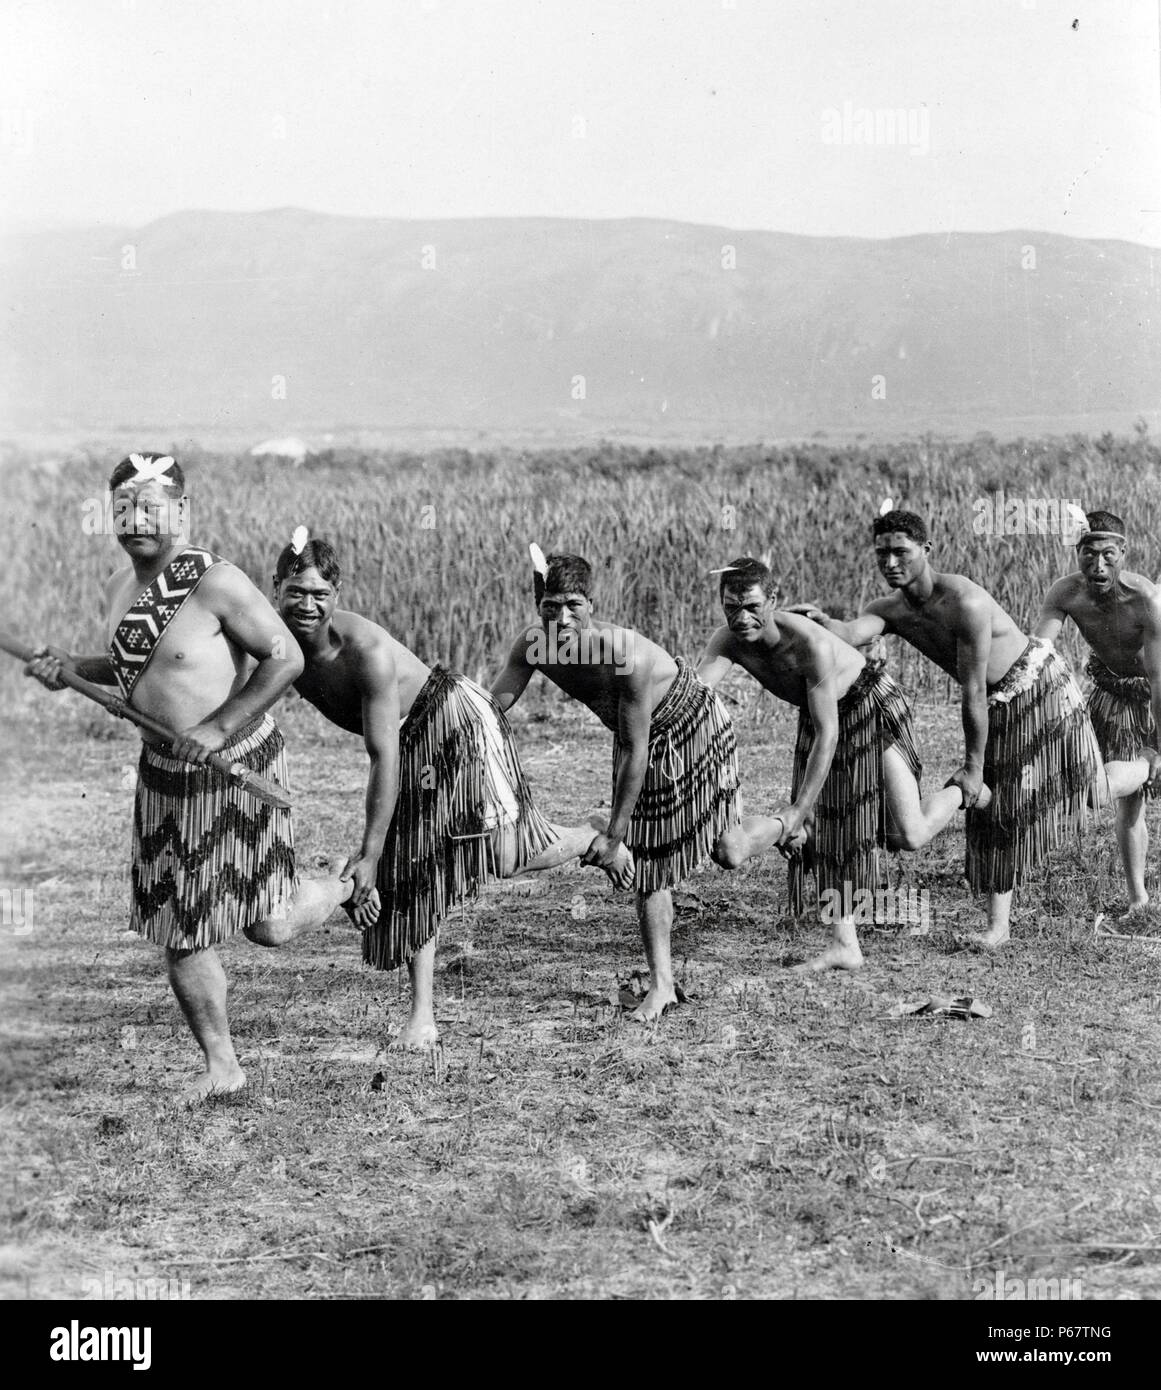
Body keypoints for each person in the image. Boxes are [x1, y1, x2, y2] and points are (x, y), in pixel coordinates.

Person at [25, 454, 351, 1100]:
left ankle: (341, 887)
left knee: (271, 925)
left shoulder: (215, 582)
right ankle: (224, 1067)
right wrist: (69, 667)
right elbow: (135, 673)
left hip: (233, 766)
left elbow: (282, 658)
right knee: (182, 933)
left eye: (152, 506)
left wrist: (217, 727)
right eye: (126, 507)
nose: (137, 519)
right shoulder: (120, 589)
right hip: (165, 777)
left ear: (181, 511)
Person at [273, 531, 620, 1051]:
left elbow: (382, 755)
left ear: (337, 595)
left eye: (319, 594)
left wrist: (369, 854)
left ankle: (589, 832)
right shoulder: (271, 640)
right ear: (274, 588)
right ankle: (422, 1018)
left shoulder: (363, 649)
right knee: (419, 862)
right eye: (295, 592)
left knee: (506, 854)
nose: (306, 604)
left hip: (453, 717)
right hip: (408, 738)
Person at [791, 510, 1151, 949]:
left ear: (926, 551)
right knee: (995, 808)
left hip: (1038, 688)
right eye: (881, 554)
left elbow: (973, 693)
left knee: (1087, 791)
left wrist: (972, 765)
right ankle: (998, 928)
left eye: (900, 553)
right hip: (996, 703)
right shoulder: (888, 609)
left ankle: (1146, 767)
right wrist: (820, 623)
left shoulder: (966, 601)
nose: (890, 564)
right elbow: (852, 631)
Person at [490, 549, 784, 1020]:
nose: (562, 619)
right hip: (641, 738)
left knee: (715, 852)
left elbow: (633, 748)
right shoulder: (533, 646)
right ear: (535, 601)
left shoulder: (622, 652)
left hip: (693, 723)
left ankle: (786, 827)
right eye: (550, 606)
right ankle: (662, 985)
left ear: (592, 603)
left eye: (573, 606)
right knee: (685, 858)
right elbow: (491, 708)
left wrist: (615, 835)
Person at [697, 556, 982, 970]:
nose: (741, 618)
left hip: (868, 705)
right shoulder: (726, 640)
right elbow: (696, 691)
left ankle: (967, 790)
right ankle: (845, 946)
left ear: (773, 600)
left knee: (910, 834)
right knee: (831, 827)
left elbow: (828, 734)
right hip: (822, 715)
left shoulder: (806, 644)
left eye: (752, 606)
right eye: (731, 607)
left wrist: (798, 809)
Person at [1033, 509, 1161, 917]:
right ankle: (1138, 896)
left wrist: (1157, 744)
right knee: (1122, 800)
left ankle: (1141, 765)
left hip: (1152, 697)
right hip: (1109, 692)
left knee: (1130, 790)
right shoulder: (1066, 593)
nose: (1097, 564)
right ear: (1077, 552)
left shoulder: (1145, 598)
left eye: (1107, 554)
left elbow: (1158, 680)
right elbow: (1038, 655)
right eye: (1088, 554)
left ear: (1123, 551)